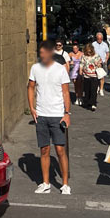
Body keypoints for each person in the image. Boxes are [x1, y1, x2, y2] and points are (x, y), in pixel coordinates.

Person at [28, 39, 72, 195]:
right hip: (41, 115)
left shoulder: (60, 70)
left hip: (57, 115)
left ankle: (65, 183)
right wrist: (32, 108)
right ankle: (45, 183)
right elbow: (31, 87)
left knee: (60, 150)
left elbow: (66, 92)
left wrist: (67, 113)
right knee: (44, 150)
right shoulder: (35, 68)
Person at [80, 42, 103, 111]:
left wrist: (98, 64)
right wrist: (80, 70)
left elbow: (100, 64)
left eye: (90, 51)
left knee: (93, 90)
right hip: (86, 75)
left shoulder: (96, 56)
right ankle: (87, 102)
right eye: (87, 51)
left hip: (94, 75)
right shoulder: (84, 56)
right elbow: (82, 63)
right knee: (87, 90)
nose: (89, 53)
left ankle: (93, 104)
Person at [93, 31, 110, 95]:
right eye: (98, 39)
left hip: (102, 62)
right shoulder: (93, 44)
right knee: (96, 76)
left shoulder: (105, 44)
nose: (99, 40)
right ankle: (97, 87)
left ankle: (101, 89)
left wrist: (106, 59)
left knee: (102, 76)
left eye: (101, 39)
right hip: (95, 62)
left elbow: (107, 53)